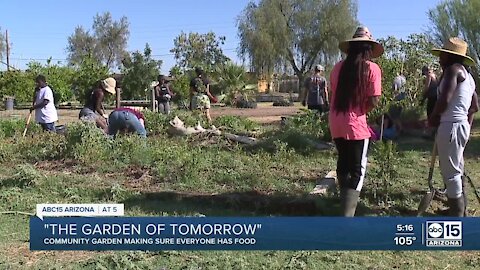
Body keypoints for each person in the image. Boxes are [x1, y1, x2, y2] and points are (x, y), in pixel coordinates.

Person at [329, 26, 384, 217]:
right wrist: (361, 111)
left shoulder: (337, 68)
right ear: (368, 49)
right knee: (357, 169)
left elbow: (333, 94)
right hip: (356, 125)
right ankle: (348, 215)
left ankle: (343, 207)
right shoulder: (372, 69)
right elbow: (374, 100)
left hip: (336, 121)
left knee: (343, 163)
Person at [428, 37, 478, 216]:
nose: (440, 58)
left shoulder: (452, 71)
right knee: (456, 168)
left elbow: (444, 101)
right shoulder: (468, 76)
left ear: (449, 56)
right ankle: (459, 209)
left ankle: (456, 215)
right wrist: (466, 126)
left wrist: (432, 119)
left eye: (442, 55)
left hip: (450, 125)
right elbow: (475, 107)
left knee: (451, 172)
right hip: (458, 126)